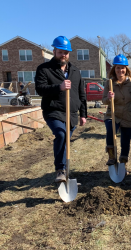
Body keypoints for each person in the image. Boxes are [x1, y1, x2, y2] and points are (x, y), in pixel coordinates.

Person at [35, 36, 87, 183]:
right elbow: (40, 89)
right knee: (61, 134)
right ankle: (60, 169)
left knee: (66, 140)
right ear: (54, 51)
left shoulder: (75, 71)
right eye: (60, 52)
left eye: (66, 52)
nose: (63, 55)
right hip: (53, 111)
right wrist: (59, 87)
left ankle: (64, 171)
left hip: (72, 114)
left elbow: (81, 94)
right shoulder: (44, 69)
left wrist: (83, 114)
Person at [102, 54, 131, 173]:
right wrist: (108, 98)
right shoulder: (109, 83)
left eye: (123, 68)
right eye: (118, 67)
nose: (120, 70)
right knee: (110, 131)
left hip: (128, 116)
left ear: (126, 69)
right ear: (114, 69)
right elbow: (104, 101)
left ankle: (123, 162)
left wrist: (128, 110)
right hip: (113, 114)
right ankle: (112, 157)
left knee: (125, 140)